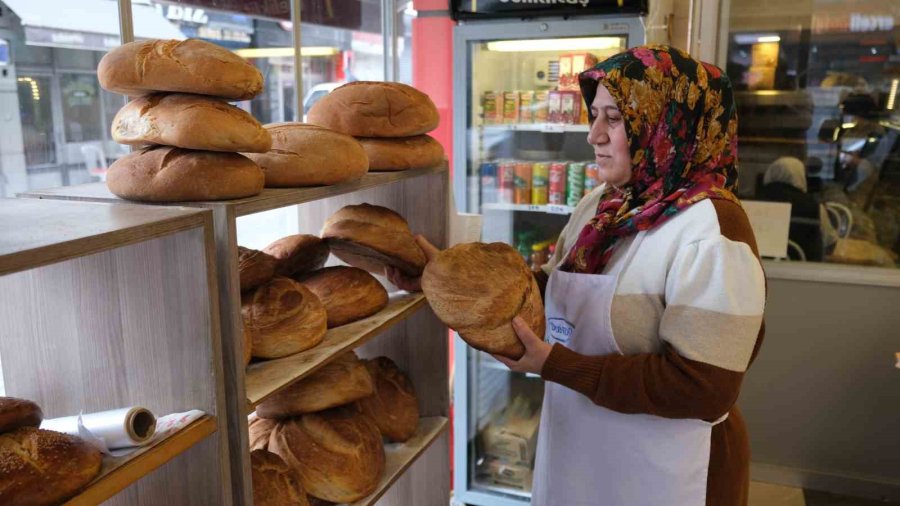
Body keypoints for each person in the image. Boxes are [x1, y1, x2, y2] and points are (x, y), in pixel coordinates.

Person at [389, 45, 766, 506]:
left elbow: (704, 388)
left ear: (667, 124)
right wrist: (446, 280)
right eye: (595, 115)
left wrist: (558, 366)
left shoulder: (712, 229)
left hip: (666, 471)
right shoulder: (605, 205)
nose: (593, 135)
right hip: (583, 449)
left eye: (614, 117)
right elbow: (549, 291)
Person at [757, 156, 838, 261]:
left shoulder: (753, 204)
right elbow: (830, 245)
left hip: (759, 273)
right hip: (804, 274)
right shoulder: (814, 207)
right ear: (800, 176)